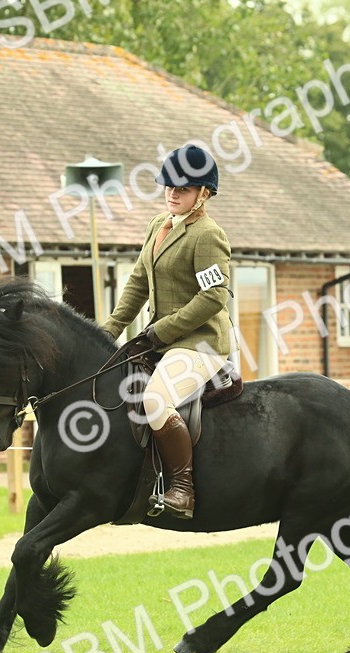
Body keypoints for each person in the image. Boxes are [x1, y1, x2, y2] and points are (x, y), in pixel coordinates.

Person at [100, 144, 232, 519]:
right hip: (161, 339)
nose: (173, 193)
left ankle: (183, 489)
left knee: (156, 400)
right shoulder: (157, 225)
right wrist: (110, 329)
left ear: (203, 194)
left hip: (201, 343)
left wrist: (160, 331)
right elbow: (139, 282)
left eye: (184, 188)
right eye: (169, 186)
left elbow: (213, 297)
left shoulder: (208, 235)